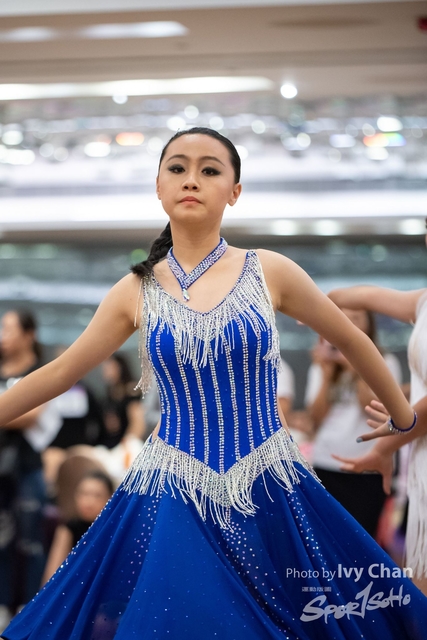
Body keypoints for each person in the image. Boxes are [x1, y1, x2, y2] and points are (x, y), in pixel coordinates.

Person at [1, 128, 427, 640]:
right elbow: (59, 373)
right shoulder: (135, 290)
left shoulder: (269, 270)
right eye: (177, 168)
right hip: (173, 485)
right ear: (158, 186)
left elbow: (354, 340)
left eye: (209, 170)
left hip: (268, 480)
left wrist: (404, 418)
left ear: (234, 191)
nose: (191, 180)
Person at [327, 279, 427, 595]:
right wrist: (315, 306)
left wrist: (393, 435)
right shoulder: (422, 302)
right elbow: (361, 294)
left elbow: (414, 413)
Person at [305, 310, 401, 538]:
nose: (348, 323)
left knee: (362, 538)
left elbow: (378, 410)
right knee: (327, 539)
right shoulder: (323, 365)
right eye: (343, 316)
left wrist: (356, 365)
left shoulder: (385, 362)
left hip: (368, 465)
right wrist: (327, 374)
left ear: (370, 325)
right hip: (326, 462)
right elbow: (315, 418)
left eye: (356, 318)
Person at [0, 310, 62, 631]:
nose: (3, 335)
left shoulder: (39, 371)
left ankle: (29, 608)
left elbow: (31, 415)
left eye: (9, 329)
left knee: (30, 542)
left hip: (25, 467)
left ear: (29, 335)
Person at [41, 470, 114, 585]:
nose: (89, 502)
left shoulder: (114, 530)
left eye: (97, 495)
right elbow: (51, 575)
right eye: (84, 494)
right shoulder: (68, 528)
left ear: (110, 498)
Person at [101, 353, 144, 449]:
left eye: (109, 367)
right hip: (111, 442)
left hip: (126, 443)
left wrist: (126, 445)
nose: (105, 371)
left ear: (120, 368)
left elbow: (138, 422)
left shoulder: (131, 392)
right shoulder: (109, 394)